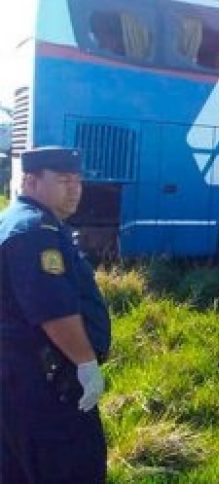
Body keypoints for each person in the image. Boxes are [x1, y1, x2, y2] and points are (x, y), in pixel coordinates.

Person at [1, 147, 111, 482]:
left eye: (78, 181)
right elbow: (54, 311)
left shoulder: (20, 221)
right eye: (64, 180)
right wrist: (86, 364)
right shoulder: (35, 231)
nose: (75, 188)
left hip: (19, 382)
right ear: (31, 181)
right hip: (45, 386)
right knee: (71, 468)